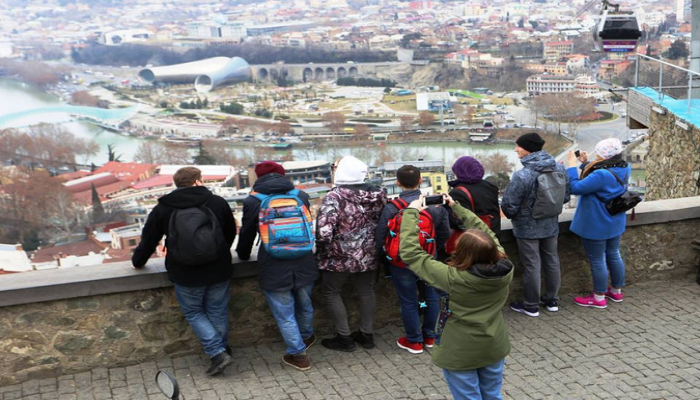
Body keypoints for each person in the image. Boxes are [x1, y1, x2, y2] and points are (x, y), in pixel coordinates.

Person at [400, 193, 513, 400]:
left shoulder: (452, 278)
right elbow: (486, 232)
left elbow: (411, 253)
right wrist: (456, 207)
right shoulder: (506, 267)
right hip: (493, 344)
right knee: (492, 395)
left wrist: (412, 211)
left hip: (460, 349)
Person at [132, 167, 236, 376]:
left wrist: (138, 260)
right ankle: (221, 348)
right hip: (218, 267)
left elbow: (149, 238)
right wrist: (219, 251)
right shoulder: (217, 202)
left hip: (185, 271)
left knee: (194, 312)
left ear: (177, 183)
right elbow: (230, 232)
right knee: (217, 310)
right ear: (198, 181)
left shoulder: (164, 207)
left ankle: (217, 352)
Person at [236, 161, 318, 371]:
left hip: (273, 263)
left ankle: (298, 355)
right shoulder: (301, 197)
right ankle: (307, 337)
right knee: (305, 303)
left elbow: (246, 233)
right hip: (304, 259)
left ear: (258, 177)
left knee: (285, 313)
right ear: (283, 175)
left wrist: (243, 254)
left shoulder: (253, 201)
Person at [375, 165, 450, 354]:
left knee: (409, 301)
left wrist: (384, 258)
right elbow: (444, 233)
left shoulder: (392, 207)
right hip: (427, 259)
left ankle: (414, 340)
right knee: (431, 297)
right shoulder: (434, 205)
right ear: (420, 181)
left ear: (398, 183)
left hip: (401, 263)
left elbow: (381, 236)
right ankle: (430, 336)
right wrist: (433, 250)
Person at [316, 155, 387, 352]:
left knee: (331, 292)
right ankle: (367, 335)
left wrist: (321, 254)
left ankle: (344, 337)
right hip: (369, 253)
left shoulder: (335, 197)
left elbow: (324, 232)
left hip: (339, 257)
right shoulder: (378, 194)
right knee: (366, 291)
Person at [501, 132, 569, 317]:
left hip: (527, 227)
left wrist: (517, 215)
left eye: (519, 146)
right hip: (551, 223)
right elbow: (566, 196)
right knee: (552, 260)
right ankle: (552, 300)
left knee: (532, 264)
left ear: (528, 149)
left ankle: (531, 305)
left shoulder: (523, 175)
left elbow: (509, 205)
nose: (516, 149)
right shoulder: (559, 169)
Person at [566, 138, 629, 308]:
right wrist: (586, 163)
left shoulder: (601, 174)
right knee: (614, 254)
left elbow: (576, 188)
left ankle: (599, 297)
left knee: (597, 259)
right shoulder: (623, 166)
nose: (597, 155)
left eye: (599, 153)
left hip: (596, 221)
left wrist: (571, 167)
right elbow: (599, 178)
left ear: (604, 155)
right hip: (614, 219)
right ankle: (616, 292)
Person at [448, 156, 501, 237]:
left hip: (475, 240)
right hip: (493, 234)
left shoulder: (457, 193)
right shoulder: (490, 186)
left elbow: (460, 221)